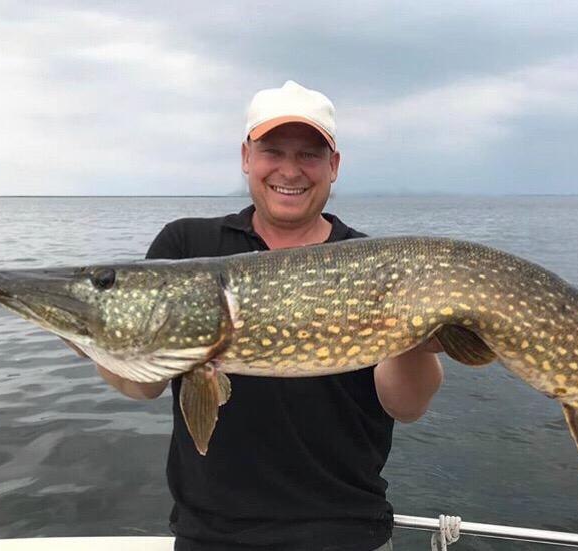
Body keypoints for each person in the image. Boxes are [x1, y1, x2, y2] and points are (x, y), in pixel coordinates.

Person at [85, 80, 444, 550]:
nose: (290, 170)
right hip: (211, 537)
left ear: (333, 166)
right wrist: (91, 329)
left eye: (310, 155)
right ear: (246, 158)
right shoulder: (187, 247)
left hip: (348, 535)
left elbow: (408, 406)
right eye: (273, 150)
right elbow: (144, 384)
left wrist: (418, 333)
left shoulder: (372, 263)